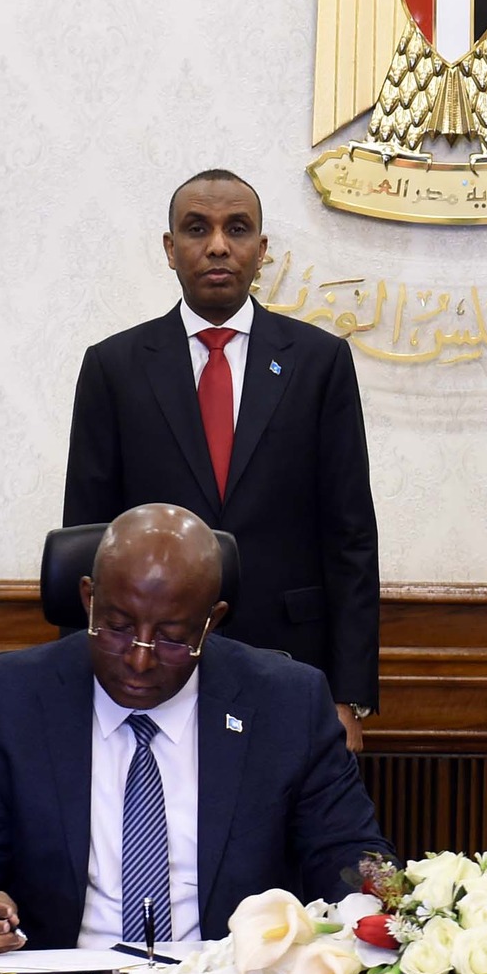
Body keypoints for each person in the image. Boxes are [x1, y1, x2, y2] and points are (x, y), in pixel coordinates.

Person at [0, 503, 393, 953]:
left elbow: (349, 851)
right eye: (118, 627)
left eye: (171, 639)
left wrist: (385, 901)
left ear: (211, 622)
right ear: (88, 599)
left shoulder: (286, 703)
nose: (139, 660)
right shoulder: (13, 696)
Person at [64, 169, 381, 751]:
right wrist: (81, 683)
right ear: (170, 249)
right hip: (149, 663)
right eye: (196, 229)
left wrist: (348, 694)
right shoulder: (114, 367)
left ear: (261, 250)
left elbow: (350, 537)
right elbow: (89, 539)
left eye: (237, 229)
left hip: (291, 661)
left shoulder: (319, 362)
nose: (217, 245)